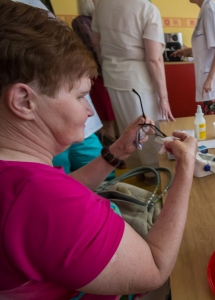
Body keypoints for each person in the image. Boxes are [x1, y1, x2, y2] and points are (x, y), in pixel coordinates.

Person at [0, 2, 197, 299]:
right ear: (24, 101)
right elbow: (154, 268)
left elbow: (63, 191)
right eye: (80, 96)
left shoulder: (19, 175)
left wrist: (116, 151)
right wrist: (186, 169)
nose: (89, 111)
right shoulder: (43, 199)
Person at [91, 0, 175, 174]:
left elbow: (97, 44)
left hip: (113, 76)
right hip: (139, 80)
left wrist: (108, 69)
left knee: (127, 129)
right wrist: (164, 97)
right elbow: (154, 59)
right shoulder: (147, 9)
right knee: (147, 131)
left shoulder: (102, 7)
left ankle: (138, 171)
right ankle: (153, 174)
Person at [171, 0, 215, 115]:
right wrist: (187, 51)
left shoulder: (210, 9)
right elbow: (209, 46)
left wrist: (211, 78)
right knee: (210, 124)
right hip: (211, 82)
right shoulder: (206, 9)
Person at [72, 0, 117, 139]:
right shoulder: (81, 21)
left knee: (116, 116)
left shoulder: (107, 18)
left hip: (112, 73)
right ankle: (114, 152)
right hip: (97, 74)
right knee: (106, 117)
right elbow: (93, 46)